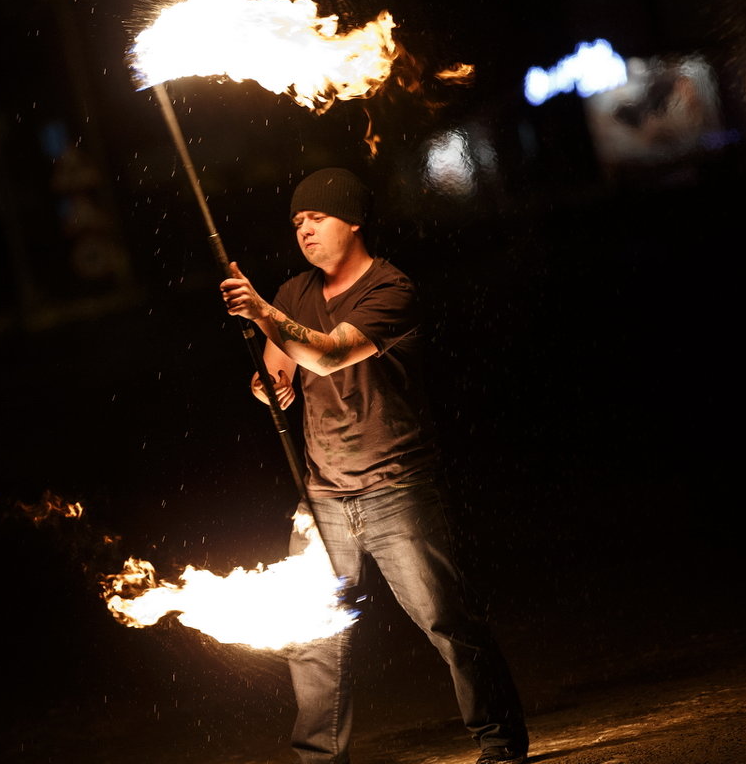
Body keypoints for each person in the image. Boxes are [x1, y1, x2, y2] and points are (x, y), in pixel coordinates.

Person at [219, 167, 528, 764]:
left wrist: (259, 312)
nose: (304, 232)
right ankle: (320, 760)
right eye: (297, 223)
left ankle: (500, 742)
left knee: (446, 620)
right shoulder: (291, 293)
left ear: (353, 220)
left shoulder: (392, 290)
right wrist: (269, 385)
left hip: (398, 488)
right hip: (323, 497)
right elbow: (279, 371)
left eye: (318, 218)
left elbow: (330, 355)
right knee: (312, 637)